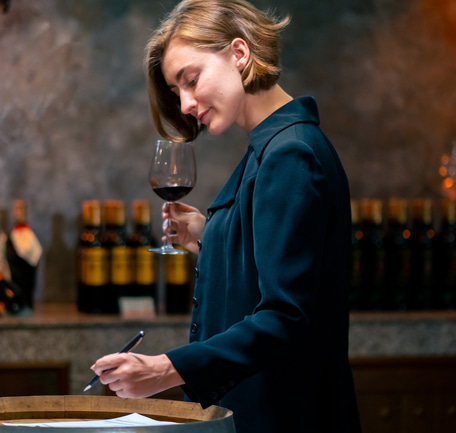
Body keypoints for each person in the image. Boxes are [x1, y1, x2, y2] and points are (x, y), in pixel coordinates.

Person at [90, 0, 362, 431]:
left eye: (190, 80)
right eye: (177, 90)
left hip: (285, 418)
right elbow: (272, 265)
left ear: (239, 53)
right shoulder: (278, 145)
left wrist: (166, 368)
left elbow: (285, 317)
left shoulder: (289, 154)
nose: (184, 103)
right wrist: (213, 235)